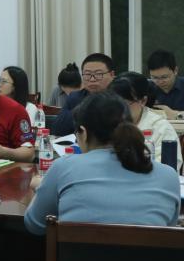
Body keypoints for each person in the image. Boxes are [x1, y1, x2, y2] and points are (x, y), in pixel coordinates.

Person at [24, 92, 180, 235]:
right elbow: (169, 230)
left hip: (79, 258)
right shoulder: (168, 175)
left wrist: (41, 189)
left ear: (83, 133)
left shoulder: (63, 167)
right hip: (148, 258)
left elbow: (35, 225)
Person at [110, 72, 178, 166]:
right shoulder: (106, 124)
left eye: (124, 104)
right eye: (113, 104)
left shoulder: (161, 128)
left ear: (143, 101)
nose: (118, 110)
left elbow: (168, 167)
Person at [51, 53, 116, 136]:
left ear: (112, 75)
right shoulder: (75, 97)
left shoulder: (121, 97)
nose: (92, 79)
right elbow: (57, 130)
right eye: (87, 74)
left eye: (98, 74)